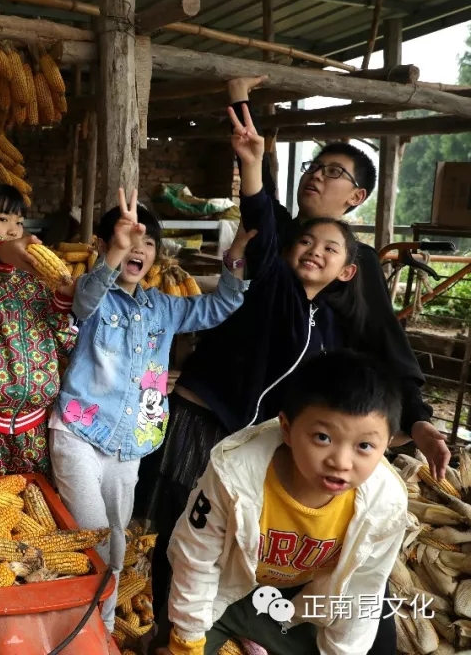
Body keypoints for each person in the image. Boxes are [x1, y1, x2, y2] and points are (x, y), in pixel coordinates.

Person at [148, 105, 365, 634]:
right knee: (180, 531)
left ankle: (217, 626)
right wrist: (252, 164)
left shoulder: (327, 323)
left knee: (230, 538)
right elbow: (264, 224)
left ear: (346, 271)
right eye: (304, 243)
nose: (313, 251)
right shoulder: (276, 286)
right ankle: (166, 629)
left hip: (251, 439)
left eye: (329, 249)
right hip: (203, 421)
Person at [50, 187, 249, 635]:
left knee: (117, 543)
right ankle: (78, 631)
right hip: (79, 434)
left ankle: (99, 632)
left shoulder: (163, 307)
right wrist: (115, 252)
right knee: (95, 537)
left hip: (130, 444)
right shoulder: (93, 297)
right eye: (127, 239)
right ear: (105, 245)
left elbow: (223, 305)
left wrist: (235, 253)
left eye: (148, 243)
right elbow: (84, 300)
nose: (138, 249)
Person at [231, 77, 448, 480]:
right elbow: (255, 170)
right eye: (313, 167)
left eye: (333, 172)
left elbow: (384, 340)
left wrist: (418, 417)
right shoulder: (277, 232)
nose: (316, 176)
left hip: (313, 419)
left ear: (356, 197)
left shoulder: (359, 262)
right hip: (241, 400)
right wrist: (240, 96)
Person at [157, 350, 408, 655]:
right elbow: (196, 558)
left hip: (297, 602)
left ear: (387, 444)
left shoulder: (385, 505)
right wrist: (188, 640)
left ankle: (259, 638)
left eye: (364, 446)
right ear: (287, 429)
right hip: (226, 588)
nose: (341, 462)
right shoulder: (233, 475)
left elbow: (361, 591)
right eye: (323, 438)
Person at [0, 182, 77, 477]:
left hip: (33, 426)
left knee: (34, 498)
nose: (13, 229)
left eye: (19, 222)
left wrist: (66, 298)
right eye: (2, 219)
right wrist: (5, 252)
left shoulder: (33, 281)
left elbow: (60, 331)